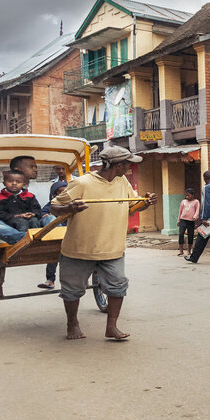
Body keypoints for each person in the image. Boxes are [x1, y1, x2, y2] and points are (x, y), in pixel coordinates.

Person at [48, 145, 157, 340]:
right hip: (79, 249)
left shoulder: (122, 182)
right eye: (128, 164)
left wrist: (146, 202)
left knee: (118, 286)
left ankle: (112, 327)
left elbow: (132, 206)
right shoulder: (82, 183)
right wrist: (69, 208)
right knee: (72, 291)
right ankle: (72, 323)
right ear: (118, 165)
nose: (130, 168)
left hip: (112, 248)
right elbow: (54, 207)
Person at [0, 154, 53, 243]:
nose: (36, 170)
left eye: (36, 167)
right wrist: (13, 217)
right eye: (32, 167)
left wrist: (36, 214)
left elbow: (42, 208)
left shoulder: (43, 189)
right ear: (17, 169)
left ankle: (54, 239)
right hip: (9, 225)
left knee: (51, 218)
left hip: (36, 224)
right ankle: (24, 239)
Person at [0, 170, 44, 239]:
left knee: (34, 221)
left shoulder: (30, 196)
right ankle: (23, 242)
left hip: (29, 218)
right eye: (10, 181)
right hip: (9, 221)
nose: (14, 184)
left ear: (23, 183)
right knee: (21, 222)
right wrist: (16, 216)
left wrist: (33, 214)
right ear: (4, 183)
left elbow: (36, 208)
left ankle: (37, 240)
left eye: (18, 182)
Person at [39, 176, 69, 289]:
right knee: (53, 257)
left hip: (70, 235)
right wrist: (46, 216)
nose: (65, 195)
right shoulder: (51, 205)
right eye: (62, 193)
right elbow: (43, 213)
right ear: (55, 195)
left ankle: (79, 280)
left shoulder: (73, 204)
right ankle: (50, 280)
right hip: (55, 237)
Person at [176, 188, 199, 258]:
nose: (187, 197)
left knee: (190, 235)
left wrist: (195, 216)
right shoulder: (183, 201)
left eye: (188, 195)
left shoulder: (196, 202)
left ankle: (189, 250)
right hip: (183, 219)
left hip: (191, 221)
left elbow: (197, 210)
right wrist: (178, 220)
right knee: (181, 234)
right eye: (186, 195)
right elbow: (180, 211)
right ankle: (181, 250)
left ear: (192, 195)